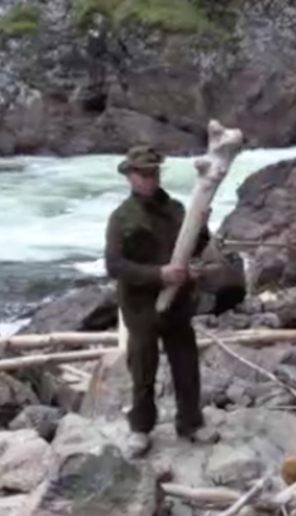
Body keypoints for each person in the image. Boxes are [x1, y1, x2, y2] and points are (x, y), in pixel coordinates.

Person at [104, 144, 221, 457]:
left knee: (186, 364)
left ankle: (191, 423)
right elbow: (114, 266)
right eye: (142, 173)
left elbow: (194, 245)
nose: (149, 178)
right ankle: (141, 428)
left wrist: (203, 224)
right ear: (130, 176)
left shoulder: (176, 209)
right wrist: (159, 274)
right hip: (140, 306)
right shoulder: (121, 217)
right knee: (143, 367)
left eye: (153, 172)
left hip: (179, 303)